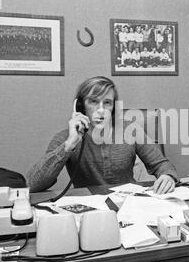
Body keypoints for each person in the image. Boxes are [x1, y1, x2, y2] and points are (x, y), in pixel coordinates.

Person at [26, 76, 178, 194]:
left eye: (107, 103)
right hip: (89, 209)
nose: (101, 110)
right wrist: (69, 145)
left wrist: (167, 176)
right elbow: (32, 184)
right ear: (81, 106)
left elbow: (162, 164)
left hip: (128, 204)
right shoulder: (64, 137)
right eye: (93, 101)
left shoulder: (130, 130)